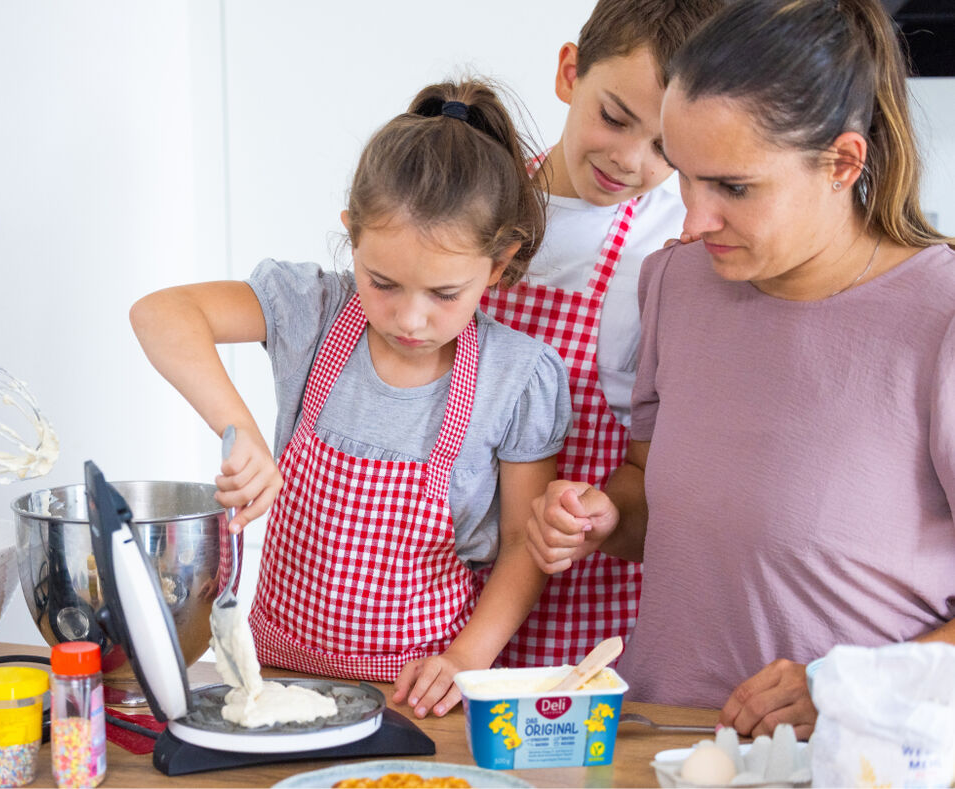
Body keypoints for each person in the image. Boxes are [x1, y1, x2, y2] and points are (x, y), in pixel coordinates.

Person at [525, 0, 955, 740]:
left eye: (733, 187)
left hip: (856, 758)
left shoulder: (939, 315)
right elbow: (659, 502)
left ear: (842, 163)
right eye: (684, 176)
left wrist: (853, 692)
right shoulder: (676, 283)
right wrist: (602, 515)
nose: (692, 220)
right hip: (659, 743)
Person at [131, 80, 571, 718]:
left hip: (418, 697)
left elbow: (524, 546)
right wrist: (241, 431)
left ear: (498, 267)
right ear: (352, 237)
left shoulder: (516, 377)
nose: (411, 318)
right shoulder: (313, 312)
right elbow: (160, 314)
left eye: (445, 294)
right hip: (273, 684)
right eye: (383, 282)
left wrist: (467, 659)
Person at [480, 0, 723, 669]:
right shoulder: (475, 196)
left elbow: (658, 477)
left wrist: (593, 513)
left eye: (666, 149)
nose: (628, 159)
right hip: (433, 602)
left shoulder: (668, 257)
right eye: (614, 117)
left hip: (577, 626)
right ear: (568, 72)